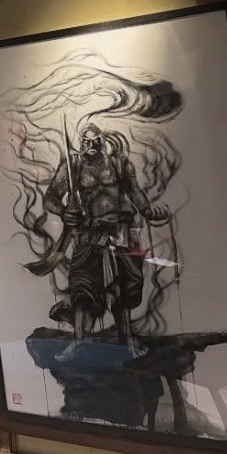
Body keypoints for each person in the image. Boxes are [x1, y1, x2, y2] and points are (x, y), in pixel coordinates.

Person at [42, 123, 171, 358]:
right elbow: (49, 198)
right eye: (86, 142)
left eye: (95, 141)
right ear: (81, 143)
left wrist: (149, 212)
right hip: (90, 232)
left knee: (122, 287)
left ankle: (127, 340)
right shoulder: (73, 166)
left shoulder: (119, 164)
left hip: (120, 230)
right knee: (82, 287)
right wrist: (63, 211)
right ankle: (80, 341)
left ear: (102, 140)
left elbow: (135, 192)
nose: (91, 146)